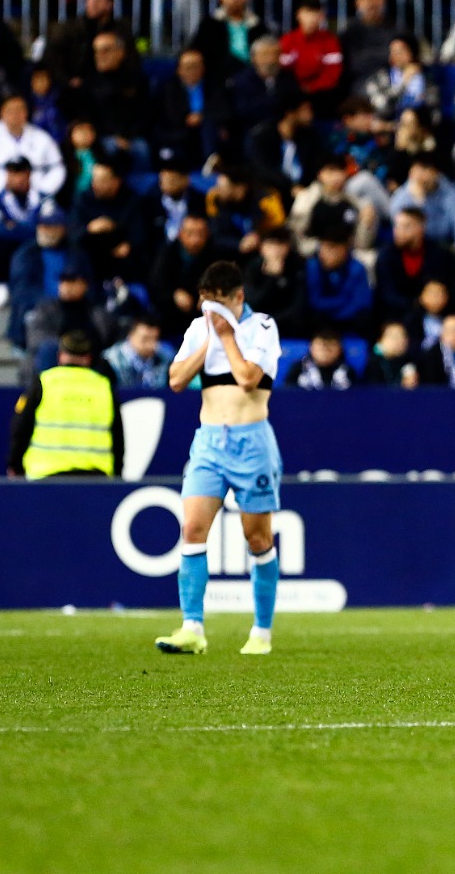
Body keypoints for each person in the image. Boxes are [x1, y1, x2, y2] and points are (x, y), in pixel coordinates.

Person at [155, 261, 285, 656]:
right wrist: (210, 339)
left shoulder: (262, 327)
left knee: (257, 538)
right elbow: (176, 380)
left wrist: (226, 336)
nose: (209, 309)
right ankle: (192, 627)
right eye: (205, 301)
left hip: (252, 443)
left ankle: (261, 632)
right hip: (209, 442)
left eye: (218, 302)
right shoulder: (199, 329)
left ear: (237, 297)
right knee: (193, 528)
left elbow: (248, 379)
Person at [7, 331, 123, 480]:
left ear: (60, 356)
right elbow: (117, 436)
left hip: (46, 475)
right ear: (88, 358)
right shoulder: (104, 387)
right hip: (96, 478)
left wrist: (14, 464)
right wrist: (117, 475)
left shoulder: (44, 382)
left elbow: (21, 427)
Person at [103, 316, 174, 390]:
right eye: (145, 339)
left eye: (154, 339)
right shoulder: (110, 361)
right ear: (131, 336)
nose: (150, 345)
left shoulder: (164, 358)